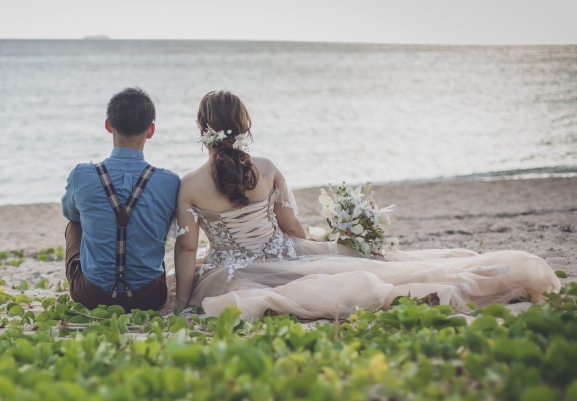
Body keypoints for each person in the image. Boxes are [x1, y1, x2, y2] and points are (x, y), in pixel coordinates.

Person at [167, 90, 561, 319]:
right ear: (243, 126)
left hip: (230, 270)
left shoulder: (190, 185)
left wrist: (183, 302)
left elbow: (187, 249)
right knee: (352, 268)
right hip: (283, 252)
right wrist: (308, 246)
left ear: (203, 128)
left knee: (276, 295)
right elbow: (293, 231)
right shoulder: (267, 169)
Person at [62, 87, 179, 312]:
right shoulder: (170, 181)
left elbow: (70, 214)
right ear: (151, 130)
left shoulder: (82, 174)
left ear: (108, 125)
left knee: (74, 222)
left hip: (91, 295)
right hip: (150, 297)